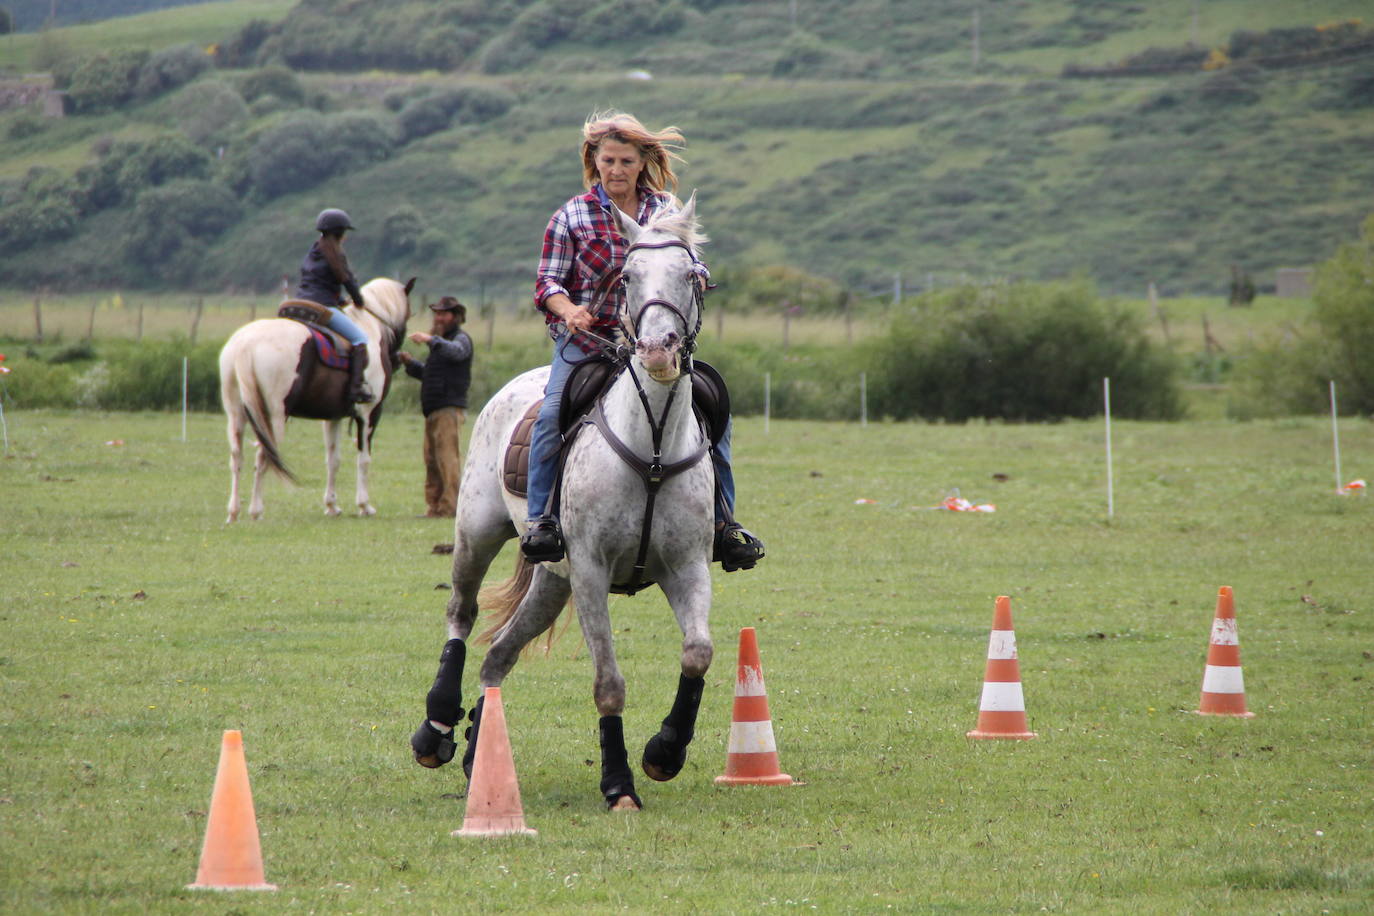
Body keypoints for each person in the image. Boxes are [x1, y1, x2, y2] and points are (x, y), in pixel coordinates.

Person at [519, 110, 765, 573]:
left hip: (658, 343)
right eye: (607, 159)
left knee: (717, 413)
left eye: (625, 161)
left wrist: (693, 275)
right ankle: (542, 520)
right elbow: (547, 283)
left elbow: (694, 267)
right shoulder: (570, 216)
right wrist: (569, 310)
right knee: (552, 414)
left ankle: (724, 525)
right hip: (590, 343)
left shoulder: (665, 212)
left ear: (641, 163)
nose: (616, 169)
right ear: (594, 161)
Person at [399, 296, 473, 518]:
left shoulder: (460, 339)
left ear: (455, 317)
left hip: (447, 410)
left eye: (444, 313)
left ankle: (450, 507)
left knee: (447, 459)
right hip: (433, 410)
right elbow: (430, 375)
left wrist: (431, 340)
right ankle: (435, 507)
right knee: (432, 460)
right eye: (437, 314)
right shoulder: (441, 344)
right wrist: (410, 364)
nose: (439, 317)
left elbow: (458, 351)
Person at [294, 207, 373, 403]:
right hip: (321, 307)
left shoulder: (312, 252)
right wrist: (359, 301)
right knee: (360, 339)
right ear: (340, 233)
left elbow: (319, 281)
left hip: (300, 303)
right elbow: (348, 281)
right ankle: (356, 390)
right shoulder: (336, 254)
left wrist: (339, 300)